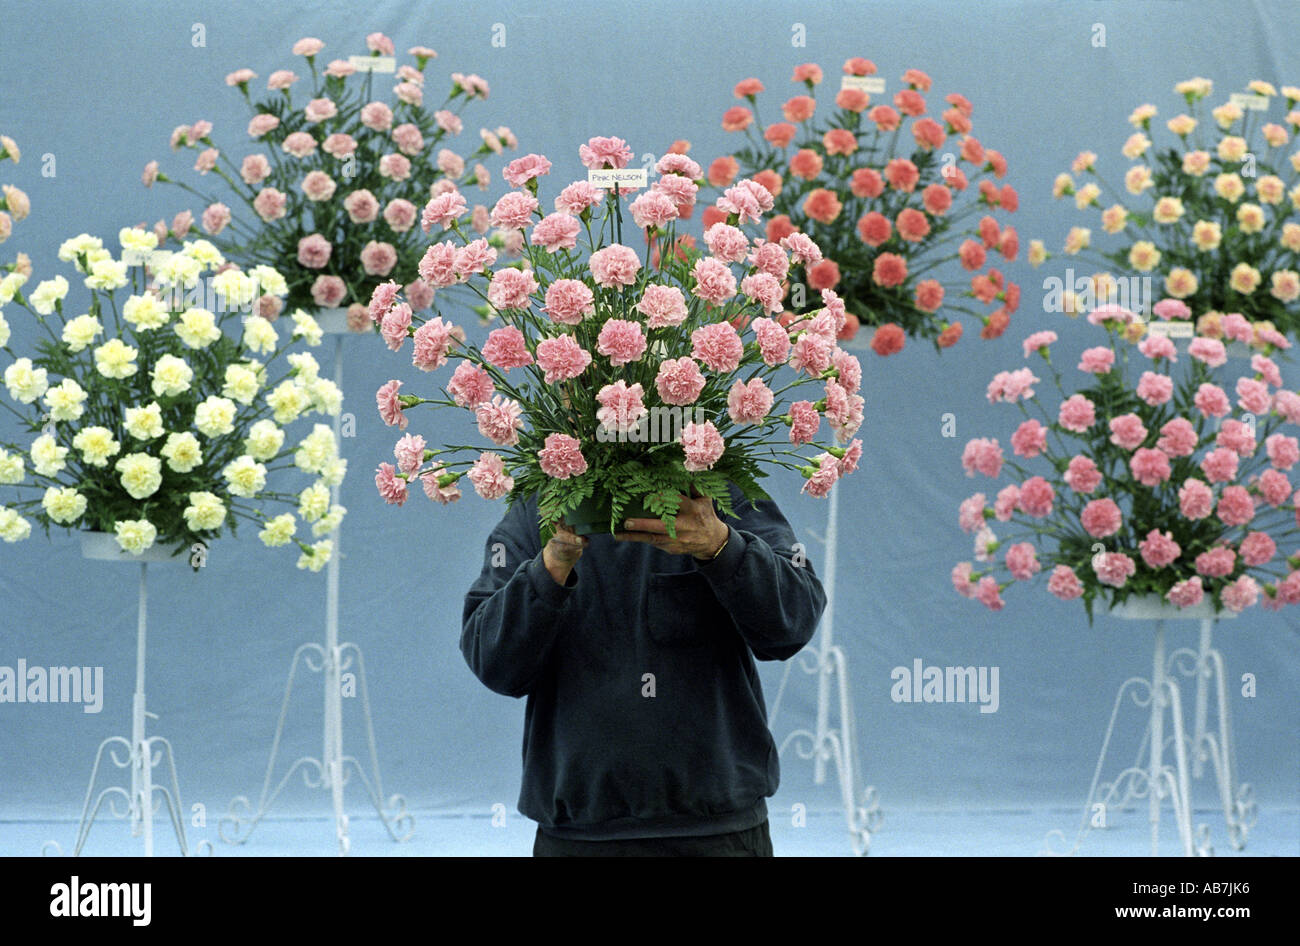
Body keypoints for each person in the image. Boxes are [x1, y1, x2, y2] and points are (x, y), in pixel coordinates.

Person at [461, 483, 827, 856]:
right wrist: (549, 569)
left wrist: (720, 545)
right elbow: (493, 662)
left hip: (716, 834)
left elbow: (794, 621)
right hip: (579, 836)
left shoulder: (715, 491)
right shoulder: (542, 506)